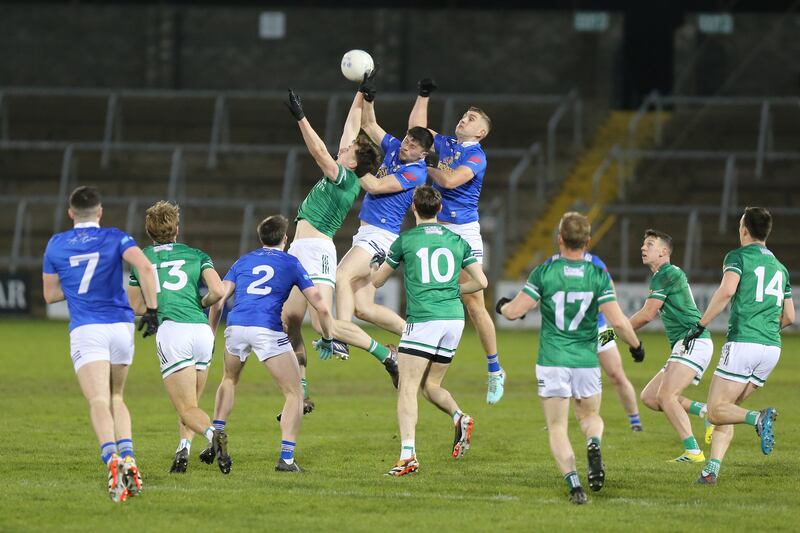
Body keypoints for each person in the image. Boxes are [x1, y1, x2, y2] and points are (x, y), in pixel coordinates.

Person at [496, 212, 644, 505]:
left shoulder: (545, 272)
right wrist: (636, 346)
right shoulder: (598, 275)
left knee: (557, 427)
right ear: (587, 241)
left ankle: (575, 485)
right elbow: (617, 322)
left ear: (559, 239)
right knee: (590, 416)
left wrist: (502, 307)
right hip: (586, 360)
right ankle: (593, 443)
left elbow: (514, 312)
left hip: (552, 358)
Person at [281, 88, 399, 410]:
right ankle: (301, 391)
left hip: (317, 251)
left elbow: (318, 151)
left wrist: (301, 117)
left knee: (323, 324)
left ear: (355, 160)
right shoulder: (345, 165)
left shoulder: (344, 178)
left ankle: (386, 354)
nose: (344, 147)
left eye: (350, 149)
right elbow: (352, 124)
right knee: (289, 318)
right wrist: (362, 90)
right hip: (299, 249)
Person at [42, 186, 159, 502]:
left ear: (71, 213)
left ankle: (113, 461)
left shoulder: (56, 244)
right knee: (117, 395)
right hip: (120, 326)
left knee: (97, 400)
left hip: (87, 328)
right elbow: (146, 267)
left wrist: (80, 286)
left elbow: (50, 295)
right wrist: (152, 309)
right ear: (100, 211)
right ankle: (130, 457)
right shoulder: (115, 237)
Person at [371, 186, 488, 476]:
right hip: (453, 319)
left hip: (424, 319)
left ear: (414, 208)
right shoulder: (456, 239)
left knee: (407, 387)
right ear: (439, 209)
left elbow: (377, 282)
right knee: (430, 386)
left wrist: (376, 264)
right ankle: (459, 416)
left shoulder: (406, 240)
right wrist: (453, 290)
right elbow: (482, 282)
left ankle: (408, 456)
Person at [207, 215, 335, 472]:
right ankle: (286, 458)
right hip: (266, 329)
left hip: (236, 327)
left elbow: (219, 298)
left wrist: (211, 332)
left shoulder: (244, 260)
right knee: (295, 393)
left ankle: (215, 436)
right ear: (285, 239)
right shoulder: (291, 263)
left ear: (261, 238)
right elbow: (320, 305)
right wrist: (329, 338)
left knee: (229, 379)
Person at [408, 78, 505, 405]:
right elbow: (416, 131)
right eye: (464, 116)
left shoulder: (477, 156)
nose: (464, 119)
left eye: (472, 119)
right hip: (434, 228)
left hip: (461, 231)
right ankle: (425, 358)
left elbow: (449, 179)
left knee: (475, 301)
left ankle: (494, 369)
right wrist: (423, 96)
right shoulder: (446, 142)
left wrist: (424, 163)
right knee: (425, 294)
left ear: (481, 133)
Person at [684, 207, 794, 485]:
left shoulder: (737, 257)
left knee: (714, 410)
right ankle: (711, 471)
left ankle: (758, 418)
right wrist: (766, 329)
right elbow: (790, 316)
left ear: (744, 229)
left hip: (744, 342)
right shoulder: (781, 268)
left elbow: (727, 291)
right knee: (725, 411)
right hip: (772, 348)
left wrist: (701, 324)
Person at [334, 71, 432, 353]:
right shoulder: (394, 148)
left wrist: (353, 166)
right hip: (370, 232)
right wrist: (369, 97)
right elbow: (368, 123)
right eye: (407, 138)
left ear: (423, 154)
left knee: (341, 276)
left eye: (414, 144)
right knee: (364, 309)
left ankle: (340, 338)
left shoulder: (416, 172)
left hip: (381, 235)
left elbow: (375, 186)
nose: (406, 143)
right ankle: (416, 336)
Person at [126, 201, 228, 474]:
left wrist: (155, 304)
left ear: (149, 231)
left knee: (186, 408)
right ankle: (183, 449)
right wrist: (201, 301)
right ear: (176, 229)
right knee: (192, 403)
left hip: (173, 333)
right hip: (201, 332)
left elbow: (135, 307)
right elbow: (218, 291)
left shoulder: (142, 258)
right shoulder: (196, 254)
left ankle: (212, 436)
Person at [630, 229, 714, 462]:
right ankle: (705, 411)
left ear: (664, 251)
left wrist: (613, 332)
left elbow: (647, 315)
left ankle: (693, 452)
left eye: (649, 244)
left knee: (667, 396)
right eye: (643, 244)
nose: (643, 248)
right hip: (685, 344)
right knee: (650, 397)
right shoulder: (664, 274)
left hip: (692, 341)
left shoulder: (665, 274)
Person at [546, 250, 643, 431]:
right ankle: (558, 419)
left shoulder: (595, 262)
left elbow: (610, 292)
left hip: (599, 331)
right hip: (568, 334)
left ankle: (635, 420)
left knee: (617, 375)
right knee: (564, 378)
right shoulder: (553, 263)